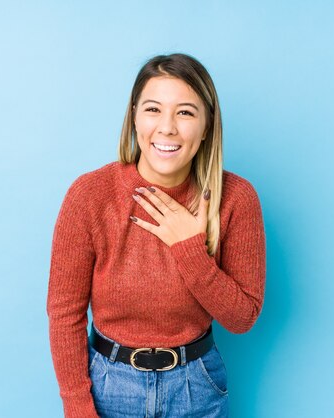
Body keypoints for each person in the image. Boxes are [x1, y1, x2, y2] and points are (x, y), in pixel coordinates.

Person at [46, 53, 266, 418]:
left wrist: (189, 248)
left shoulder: (237, 199)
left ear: (207, 125)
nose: (167, 128)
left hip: (197, 386)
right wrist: (77, 407)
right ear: (134, 117)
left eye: (185, 112)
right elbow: (64, 314)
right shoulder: (90, 195)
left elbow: (242, 319)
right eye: (153, 109)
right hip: (108, 387)